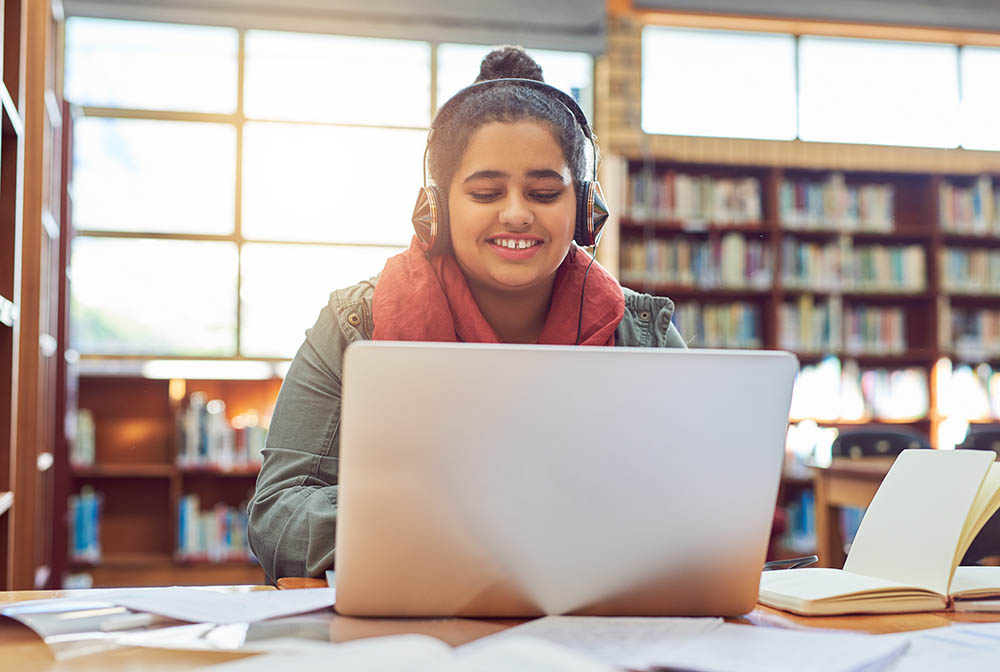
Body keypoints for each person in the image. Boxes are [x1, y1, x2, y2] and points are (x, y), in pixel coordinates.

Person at [247, 46, 686, 583]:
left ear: (584, 209)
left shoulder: (643, 334)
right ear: (437, 209)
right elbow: (277, 515)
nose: (517, 213)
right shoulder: (353, 323)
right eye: (485, 192)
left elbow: (701, 504)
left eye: (545, 192)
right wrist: (442, 517)